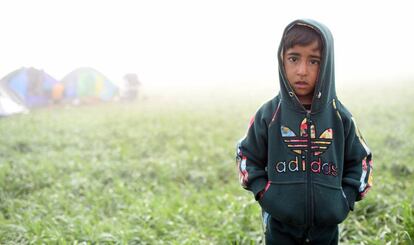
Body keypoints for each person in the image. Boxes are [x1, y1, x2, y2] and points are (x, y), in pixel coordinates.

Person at [236, 19, 373, 244]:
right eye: (294, 58)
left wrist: (344, 199)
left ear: (327, 64)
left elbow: (362, 161)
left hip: (326, 228)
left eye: (314, 61)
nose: (302, 70)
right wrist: (264, 192)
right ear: (282, 60)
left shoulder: (340, 117)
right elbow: (246, 154)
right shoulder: (269, 114)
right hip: (280, 225)